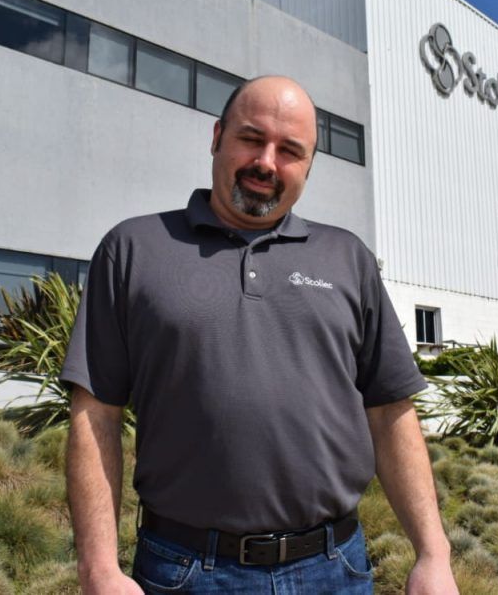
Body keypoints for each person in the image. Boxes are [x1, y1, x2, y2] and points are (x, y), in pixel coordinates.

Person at [61, 75, 460, 594]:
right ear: (217, 137)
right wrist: (98, 568)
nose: (267, 162)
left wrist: (433, 554)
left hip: (334, 569)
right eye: (252, 138)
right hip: (186, 571)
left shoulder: (347, 258)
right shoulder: (134, 249)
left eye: (290, 150)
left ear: (309, 166)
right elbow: (95, 414)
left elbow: (390, 413)